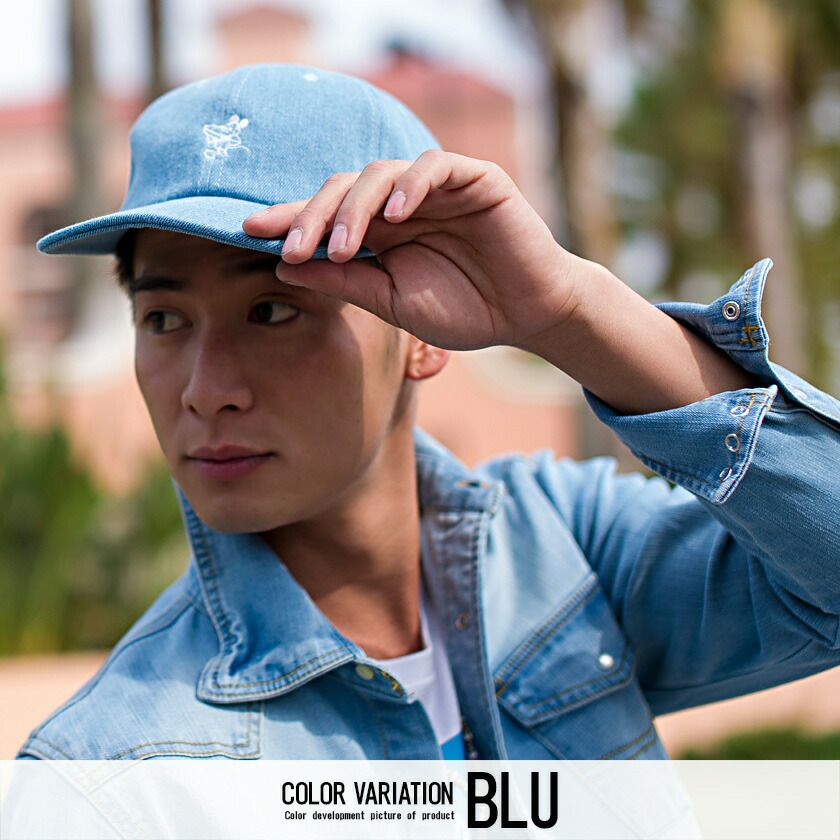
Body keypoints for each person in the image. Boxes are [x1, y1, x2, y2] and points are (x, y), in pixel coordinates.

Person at [15, 62, 840, 764]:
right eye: (163, 319)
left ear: (420, 335)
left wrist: (563, 308)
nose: (205, 389)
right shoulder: (112, 770)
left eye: (272, 311)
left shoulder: (564, 549)